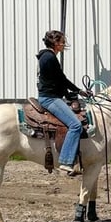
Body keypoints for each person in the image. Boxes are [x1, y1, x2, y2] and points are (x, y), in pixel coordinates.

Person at [36, 29, 89, 175]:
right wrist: (78, 91)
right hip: (50, 98)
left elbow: (58, 81)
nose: (63, 44)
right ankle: (65, 161)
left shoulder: (45, 56)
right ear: (55, 43)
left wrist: (70, 93)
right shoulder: (50, 58)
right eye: (61, 41)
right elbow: (62, 80)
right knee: (75, 125)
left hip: (51, 95)